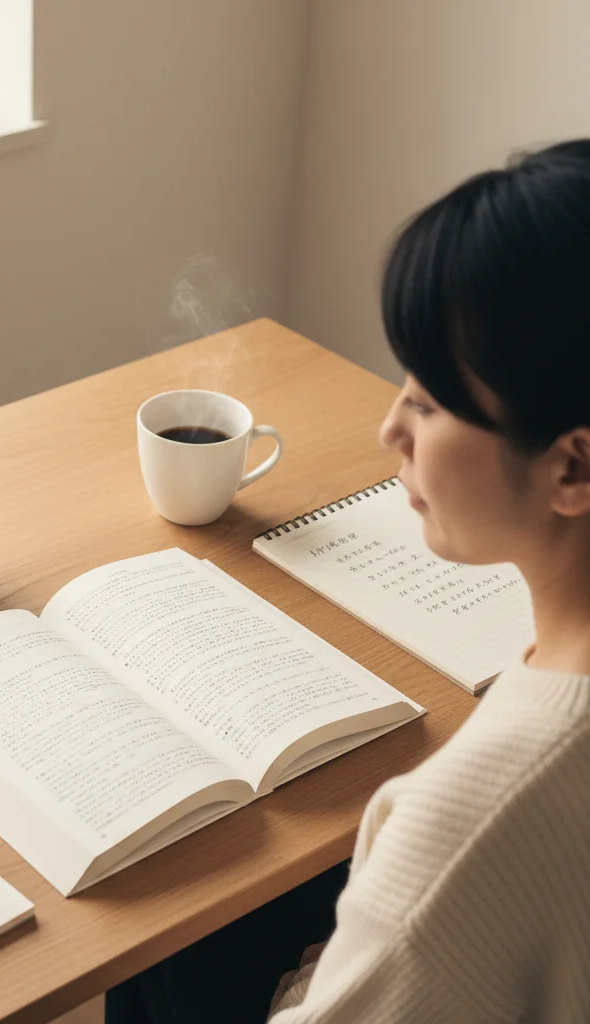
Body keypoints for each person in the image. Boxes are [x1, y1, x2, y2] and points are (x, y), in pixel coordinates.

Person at [107, 139, 590, 1023]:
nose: (388, 428)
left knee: (161, 939)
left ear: (573, 471)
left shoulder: (470, 825)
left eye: (431, 402)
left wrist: (339, 961)